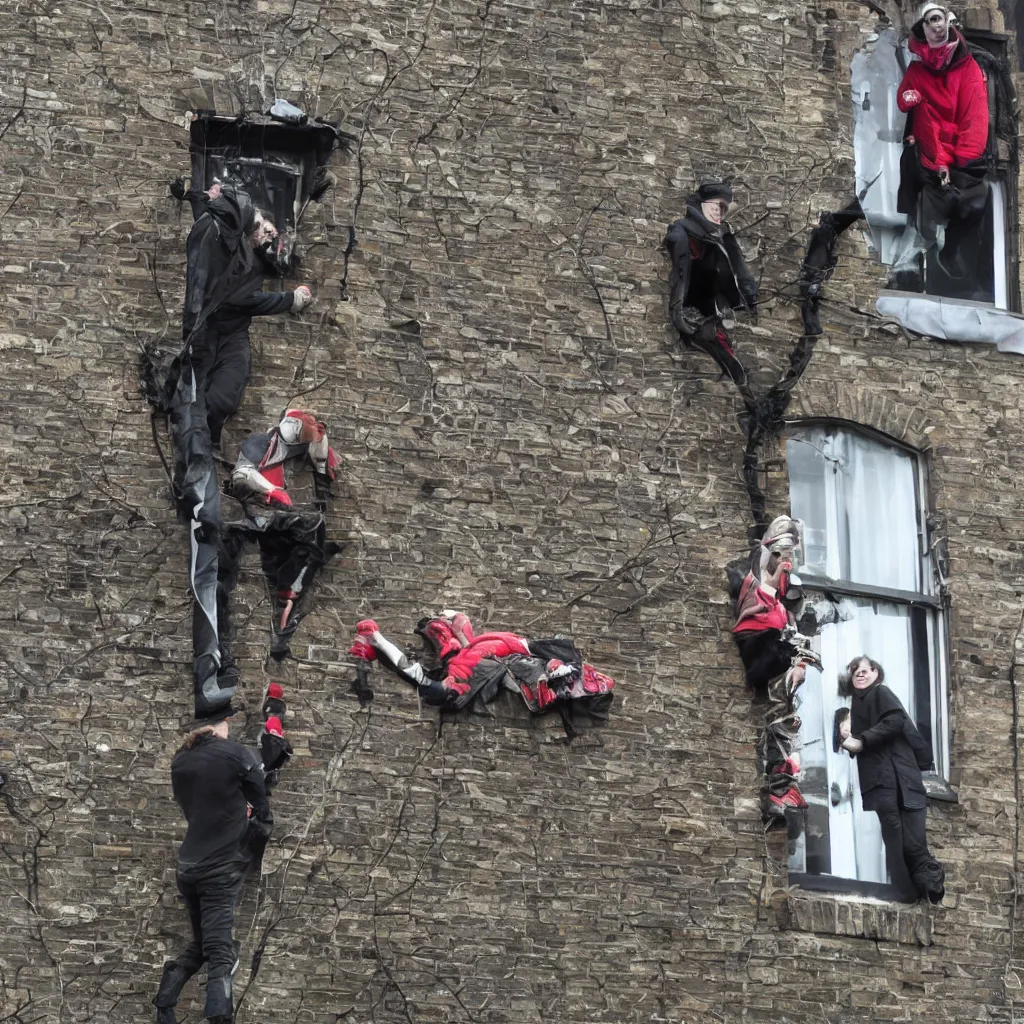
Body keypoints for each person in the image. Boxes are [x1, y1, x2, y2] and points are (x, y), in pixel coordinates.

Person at [153, 703, 271, 1024]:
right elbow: (261, 808)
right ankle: (220, 1019)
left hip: (189, 868)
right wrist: (253, 834)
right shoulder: (234, 754)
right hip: (220, 868)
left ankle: (165, 1003)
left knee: (204, 944)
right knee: (221, 953)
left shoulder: (180, 761)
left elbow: (201, 807)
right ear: (223, 725)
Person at [838, 655, 945, 904]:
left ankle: (928, 886)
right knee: (896, 841)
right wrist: (846, 734)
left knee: (911, 844)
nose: (860, 673)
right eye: (855, 671)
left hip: (900, 782)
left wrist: (862, 740)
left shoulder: (880, 693)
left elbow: (895, 721)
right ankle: (908, 891)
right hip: (883, 784)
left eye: (866, 669)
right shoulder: (853, 707)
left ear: (877, 673)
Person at [896, 3, 989, 264]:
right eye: (930, 21)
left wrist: (959, 167)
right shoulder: (917, 71)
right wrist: (910, 96)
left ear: (948, 22)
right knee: (924, 207)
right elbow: (904, 101)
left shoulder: (969, 69)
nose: (936, 26)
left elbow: (974, 121)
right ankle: (917, 255)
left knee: (974, 203)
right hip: (928, 158)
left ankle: (949, 250)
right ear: (923, 30)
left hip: (960, 162)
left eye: (940, 19)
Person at [664, 180, 758, 386]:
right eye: (717, 206)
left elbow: (740, 272)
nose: (719, 212)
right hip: (693, 311)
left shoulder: (724, 238)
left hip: (716, 310)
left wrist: (750, 298)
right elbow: (682, 271)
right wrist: (679, 309)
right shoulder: (683, 231)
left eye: (724, 208)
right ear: (702, 204)